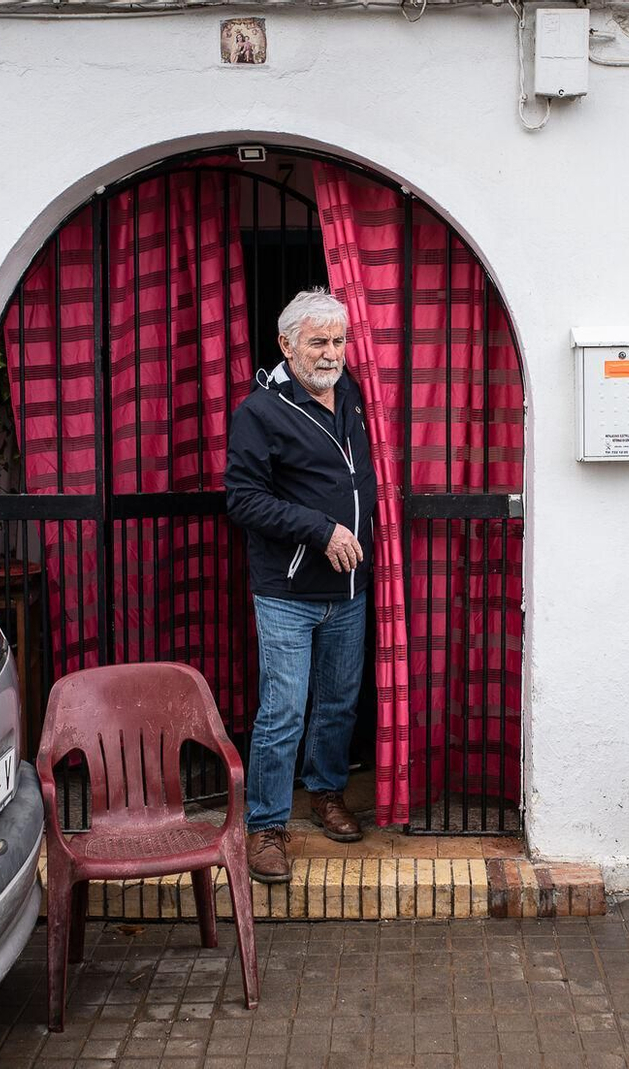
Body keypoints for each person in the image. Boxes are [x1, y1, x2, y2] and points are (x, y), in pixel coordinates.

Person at [225, 288, 376, 884]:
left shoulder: (353, 395)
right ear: (286, 345)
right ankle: (266, 827)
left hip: (348, 588)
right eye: (319, 341)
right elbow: (243, 499)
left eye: (339, 340)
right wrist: (320, 529)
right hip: (288, 592)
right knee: (284, 711)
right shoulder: (258, 412)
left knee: (338, 702)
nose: (332, 352)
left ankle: (328, 792)